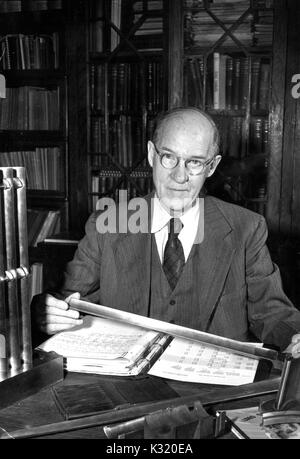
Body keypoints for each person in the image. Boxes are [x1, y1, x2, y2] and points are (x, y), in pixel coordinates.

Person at [33, 107, 300, 357]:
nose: (179, 176)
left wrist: (295, 337)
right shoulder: (108, 225)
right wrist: (44, 312)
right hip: (128, 391)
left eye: (194, 162)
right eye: (169, 157)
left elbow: (272, 313)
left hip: (213, 389)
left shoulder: (246, 228)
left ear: (212, 167)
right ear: (151, 154)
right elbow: (66, 301)